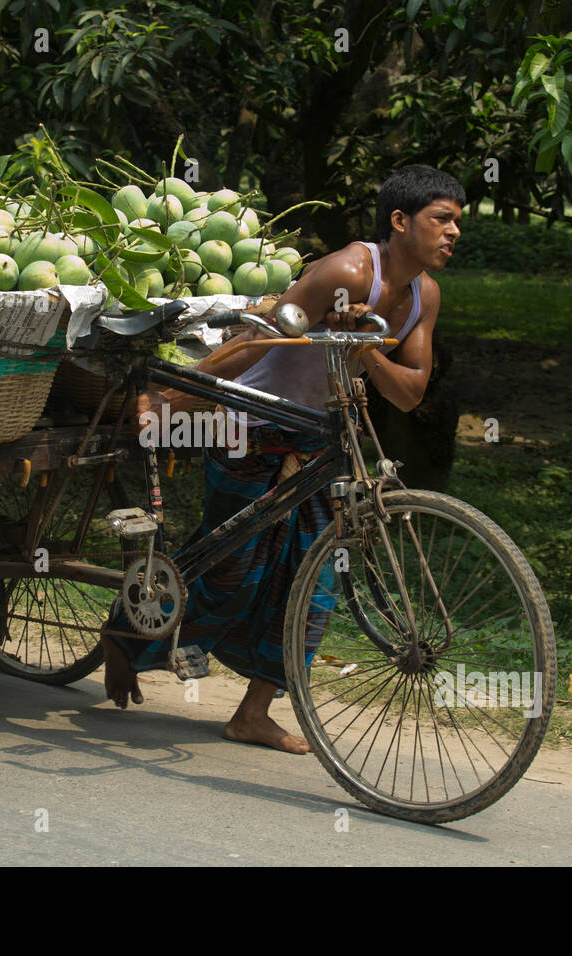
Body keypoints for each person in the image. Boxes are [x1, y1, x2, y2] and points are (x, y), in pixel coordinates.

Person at [102, 164, 465, 753]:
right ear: (400, 222)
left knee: (316, 578)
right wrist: (170, 397)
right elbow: (256, 337)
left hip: (321, 435)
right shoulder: (347, 270)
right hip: (254, 424)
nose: (453, 233)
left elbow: (410, 391)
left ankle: (251, 713)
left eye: (456, 223)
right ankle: (124, 634)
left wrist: (365, 349)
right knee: (230, 568)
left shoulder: (425, 294)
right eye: (441, 220)